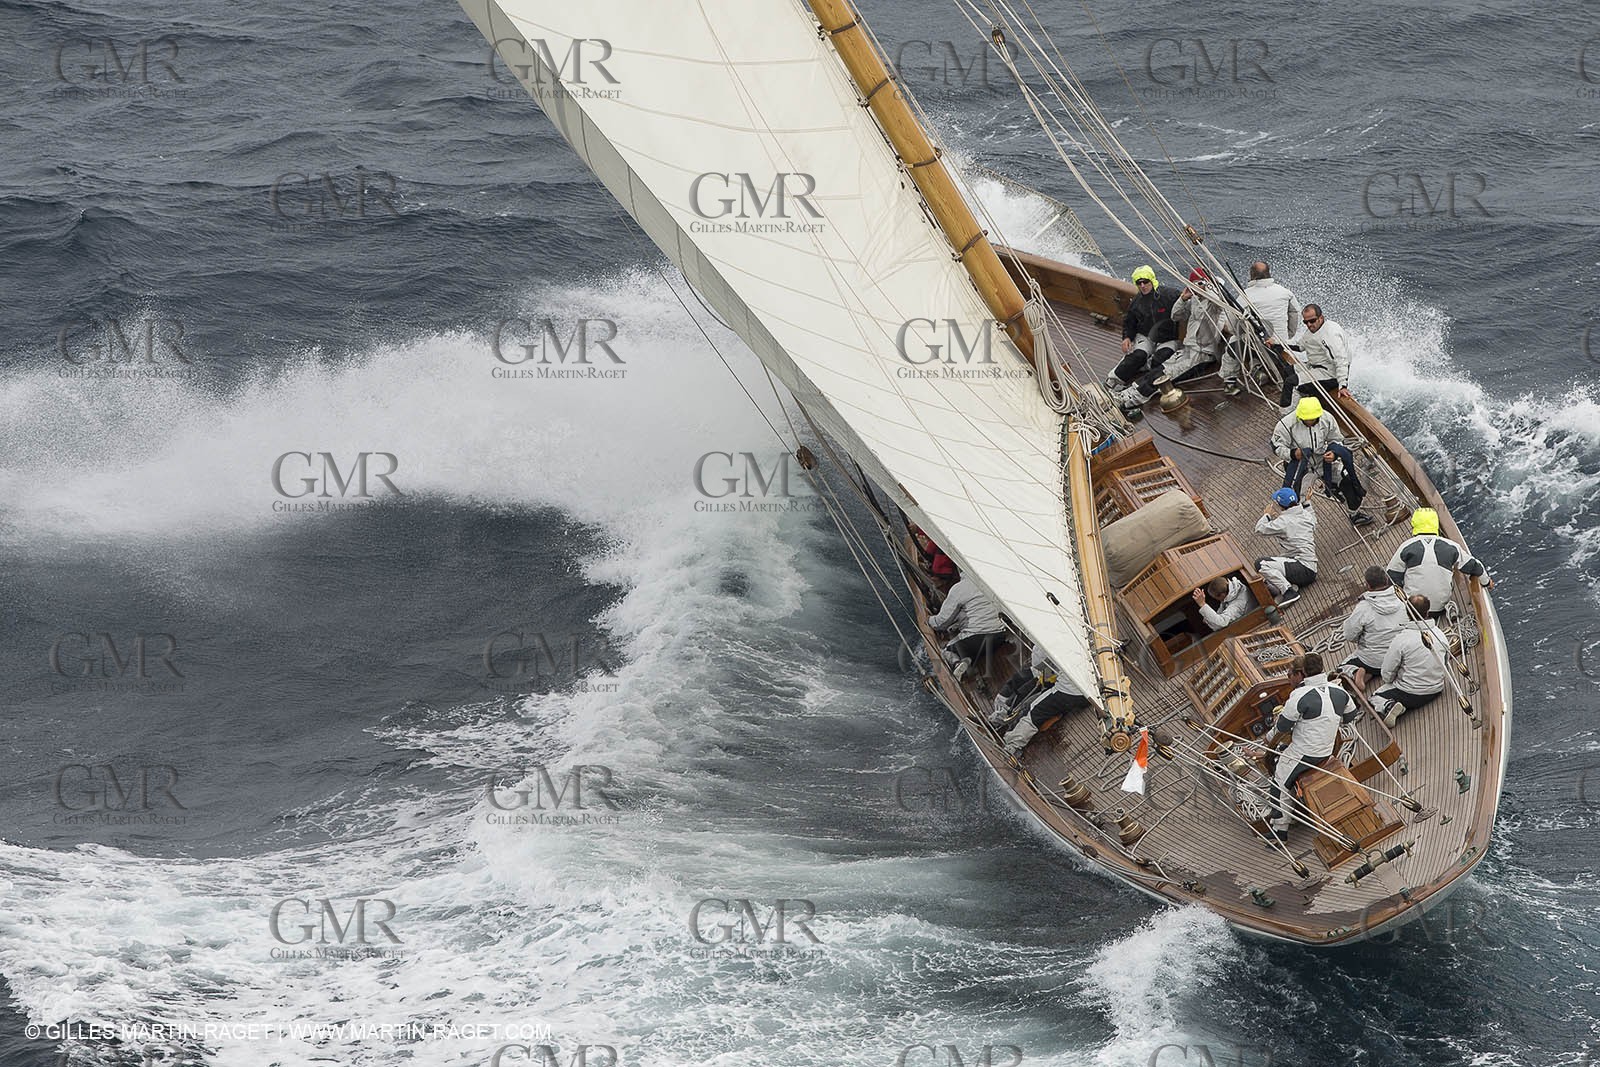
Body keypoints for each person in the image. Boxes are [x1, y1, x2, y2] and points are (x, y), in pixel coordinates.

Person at [1261, 652, 1353, 839]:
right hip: (1328, 749)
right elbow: (1349, 716)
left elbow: (1283, 727)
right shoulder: (1340, 691)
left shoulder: (1298, 696)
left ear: (1301, 673)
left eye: (1291, 674)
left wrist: (1268, 738)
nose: (1289, 677)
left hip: (1306, 753)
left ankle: (1280, 830)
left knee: (1279, 779)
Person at [1113, 268, 1232, 408]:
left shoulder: (1215, 304)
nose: (1195, 287)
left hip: (1201, 354)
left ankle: (1131, 401)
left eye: (1198, 283)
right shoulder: (1195, 300)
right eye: (1192, 284)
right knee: (1158, 371)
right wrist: (1183, 299)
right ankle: (1127, 392)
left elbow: (1220, 300)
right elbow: (1175, 315)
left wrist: (1208, 288)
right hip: (1187, 349)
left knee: (1164, 376)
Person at [1270, 396, 1374, 526]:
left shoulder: (1327, 418)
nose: (1310, 421)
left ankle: (1355, 514)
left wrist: (1334, 454)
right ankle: (1302, 529)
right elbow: (1276, 446)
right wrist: (1292, 453)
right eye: (1306, 419)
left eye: (1313, 419)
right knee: (1296, 499)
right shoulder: (1286, 425)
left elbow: (1336, 439)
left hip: (1323, 459)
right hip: (1302, 466)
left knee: (1347, 479)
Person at [1385, 507, 1494, 617]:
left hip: (1413, 608)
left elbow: (1391, 576)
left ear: (1414, 525)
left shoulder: (1406, 547)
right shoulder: (1452, 547)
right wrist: (1486, 582)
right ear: (1436, 524)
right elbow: (1475, 566)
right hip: (1439, 608)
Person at [1372, 595, 1450, 727]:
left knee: (1375, 696)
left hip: (1411, 693)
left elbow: (1387, 673)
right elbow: (1446, 662)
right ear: (1427, 612)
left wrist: (1391, 681)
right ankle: (1399, 706)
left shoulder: (1401, 640)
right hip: (1436, 689)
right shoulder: (1440, 635)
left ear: (1407, 613)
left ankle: (1389, 706)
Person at [1106, 265, 1181, 399]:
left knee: (1160, 359)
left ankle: (1142, 376)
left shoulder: (1169, 295)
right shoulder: (1137, 301)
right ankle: (1112, 381)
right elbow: (1130, 322)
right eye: (1139, 283)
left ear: (1152, 281)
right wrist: (1127, 338)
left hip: (1167, 339)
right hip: (1146, 337)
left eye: (1145, 282)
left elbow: (1184, 301)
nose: (1143, 286)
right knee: (1138, 355)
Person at [1240, 261, 1301, 403]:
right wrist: (1288, 335)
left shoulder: (1245, 295)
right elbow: (1295, 313)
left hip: (1259, 345)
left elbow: (1233, 322)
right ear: (1269, 274)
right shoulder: (1285, 292)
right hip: (1281, 343)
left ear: (1252, 275)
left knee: (1234, 344)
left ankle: (1229, 381)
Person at [928, 570, 1006, 681]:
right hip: (1000, 636)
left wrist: (929, 620)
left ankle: (957, 664)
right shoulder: (994, 583)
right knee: (972, 649)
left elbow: (942, 623)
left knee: (947, 650)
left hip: (978, 637)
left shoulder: (960, 588)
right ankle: (967, 660)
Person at [1000, 664, 1092, 756]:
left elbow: (1046, 666)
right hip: (1087, 695)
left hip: (1066, 690)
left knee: (1034, 712)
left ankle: (1013, 746)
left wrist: (1046, 679)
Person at [1339, 565, 1407, 690]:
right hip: (1400, 656)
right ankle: (1369, 672)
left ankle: (1357, 673)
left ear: (1368, 585)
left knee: (1342, 667)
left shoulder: (1363, 608)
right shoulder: (1402, 597)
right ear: (1386, 580)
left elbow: (1349, 635)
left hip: (1373, 660)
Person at [1253, 488, 1318, 606]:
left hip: (1302, 569)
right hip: (1311, 567)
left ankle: (1289, 592)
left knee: (1261, 564)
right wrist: (1308, 502)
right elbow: (1313, 519)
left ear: (1280, 505)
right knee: (1274, 568)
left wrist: (1266, 515)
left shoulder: (1283, 522)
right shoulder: (1305, 514)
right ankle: (1292, 586)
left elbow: (1259, 529)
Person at [1286, 303, 1353, 406]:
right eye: (1305, 322)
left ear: (1321, 318)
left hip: (1330, 375)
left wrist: (1343, 386)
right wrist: (1278, 343)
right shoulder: (1313, 330)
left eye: (1312, 321)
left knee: (1292, 382)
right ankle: (1306, 396)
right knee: (1287, 370)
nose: (1309, 325)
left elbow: (1341, 360)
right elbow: (1300, 347)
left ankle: (1288, 412)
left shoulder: (1330, 335)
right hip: (1315, 366)